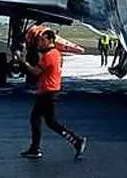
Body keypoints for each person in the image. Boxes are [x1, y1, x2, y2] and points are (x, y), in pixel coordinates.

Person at [20, 29, 87, 159]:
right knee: (41, 120)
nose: (40, 42)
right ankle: (36, 148)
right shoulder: (55, 53)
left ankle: (76, 141)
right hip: (48, 91)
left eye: (42, 40)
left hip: (48, 92)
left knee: (47, 122)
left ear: (50, 40)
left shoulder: (49, 56)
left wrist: (24, 63)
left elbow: (36, 72)